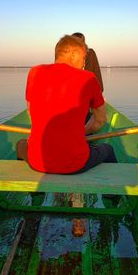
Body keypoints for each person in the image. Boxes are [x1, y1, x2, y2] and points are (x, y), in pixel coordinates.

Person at [16, 35, 117, 174]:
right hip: (75, 164)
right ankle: (112, 196)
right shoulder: (88, 78)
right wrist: (81, 132)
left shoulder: (34, 72)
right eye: (83, 58)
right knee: (108, 149)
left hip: (37, 162)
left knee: (20, 145)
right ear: (73, 54)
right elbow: (100, 120)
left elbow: (31, 112)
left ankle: (36, 193)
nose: (83, 63)